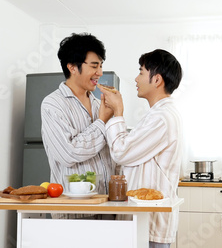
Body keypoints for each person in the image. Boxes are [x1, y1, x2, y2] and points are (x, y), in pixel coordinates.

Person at [99, 49, 183, 248]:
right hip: (143, 220)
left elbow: (121, 152)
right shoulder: (158, 114)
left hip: (150, 224)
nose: (136, 78)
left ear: (157, 80)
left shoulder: (162, 118)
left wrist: (118, 112)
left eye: (141, 72)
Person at [41, 33, 115, 218]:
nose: (100, 73)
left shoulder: (100, 105)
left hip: (107, 206)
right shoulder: (53, 104)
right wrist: (101, 122)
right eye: (94, 66)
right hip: (73, 212)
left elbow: (116, 152)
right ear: (72, 67)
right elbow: (68, 153)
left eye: (101, 66)